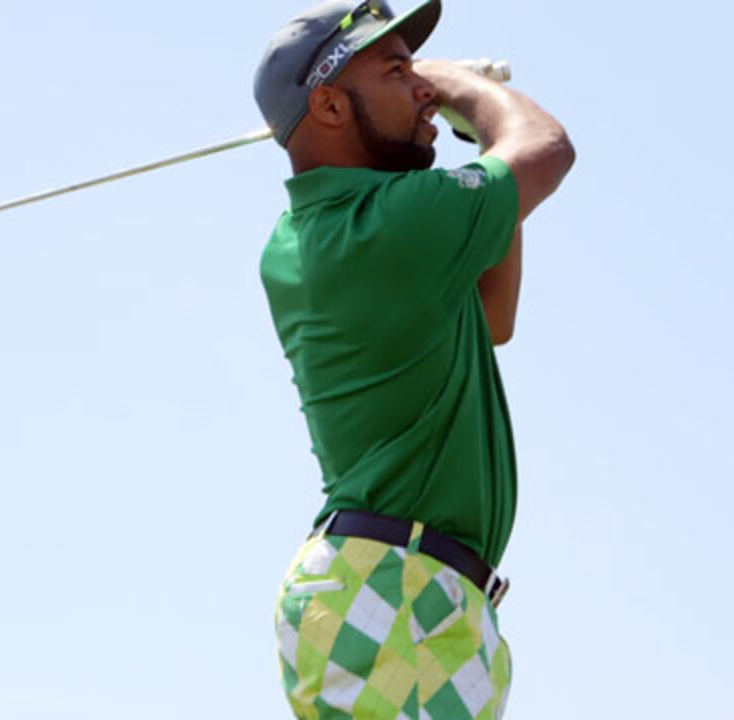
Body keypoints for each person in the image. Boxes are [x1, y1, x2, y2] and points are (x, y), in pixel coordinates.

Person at [253, 1, 574, 717]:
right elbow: (546, 148)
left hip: (404, 590)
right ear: (329, 104)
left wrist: (470, 138)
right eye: (398, 71)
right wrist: (466, 91)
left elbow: (492, 316)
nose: (421, 87)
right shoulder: (387, 228)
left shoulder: (331, 230)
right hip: (393, 591)